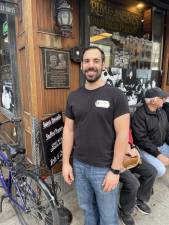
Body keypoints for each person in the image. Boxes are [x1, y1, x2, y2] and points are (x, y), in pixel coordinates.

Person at [62, 46, 130, 225]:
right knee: (87, 209)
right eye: (86, 61)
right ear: (82, 65)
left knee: (108, 217)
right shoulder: (73, 97)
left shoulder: (116, 96)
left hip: (104, 168)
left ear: (103, 65)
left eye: (96, 61)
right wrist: (66, 163)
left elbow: (123, 134)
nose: (91, 65)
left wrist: (115, 170)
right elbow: (68, 130)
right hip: (79, 165)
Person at [119, 129, 157, 225]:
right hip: (113, 160)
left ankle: (139, 199)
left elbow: (128, 134)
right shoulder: (103, 120)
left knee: (151, 172)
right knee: (133, 183)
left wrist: (132, 146)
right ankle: (125, 212)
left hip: (128, 155)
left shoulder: (122, 116)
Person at [132, 87, 169, 177]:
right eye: (161, 98)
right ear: (153, 101)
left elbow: (167, 130)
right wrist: (158, 155)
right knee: (160, 170)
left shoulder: (161, 111)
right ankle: (145, 180)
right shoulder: (139, 115)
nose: (164, 100)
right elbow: (142, 140)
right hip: (145, 149)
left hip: (162, 145)